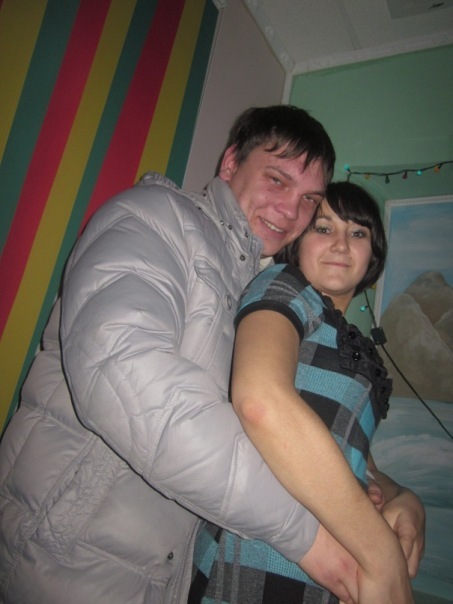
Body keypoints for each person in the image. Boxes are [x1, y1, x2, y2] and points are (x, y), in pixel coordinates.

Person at [0, 106, 423, 604]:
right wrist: (314, 537)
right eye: (276, 179)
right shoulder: (155, 217)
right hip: (63, 564)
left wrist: (393, 491)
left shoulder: (254, 284)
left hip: (171, 578)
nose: (291, 211)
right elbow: (123, 373)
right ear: (230, 163)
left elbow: (305, 426)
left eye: (309, 199)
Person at [189, 182, 421, 603]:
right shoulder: (286, 285)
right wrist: (382, 553)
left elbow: (353, 453)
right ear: (297, 243)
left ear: (373, 253)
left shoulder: (350, 340)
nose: (341, 244)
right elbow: (261, 401)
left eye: (357, 233)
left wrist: (402, 496)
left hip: (336, 559)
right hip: (257, 553)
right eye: (323, 228)